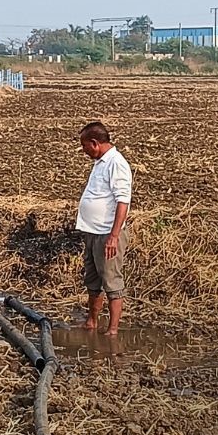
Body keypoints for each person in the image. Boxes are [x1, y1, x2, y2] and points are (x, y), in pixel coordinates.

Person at [76, 121, 132, 336]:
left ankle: (113, 329)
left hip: (107, 234)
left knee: (111, 280)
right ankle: (92, 321)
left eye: (85, 146)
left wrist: (114, 236)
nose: (84, 151)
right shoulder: (100, 162)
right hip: (92, 231)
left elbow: (122, 201)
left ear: (95, 143)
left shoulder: (116, 163)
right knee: (93, 279)